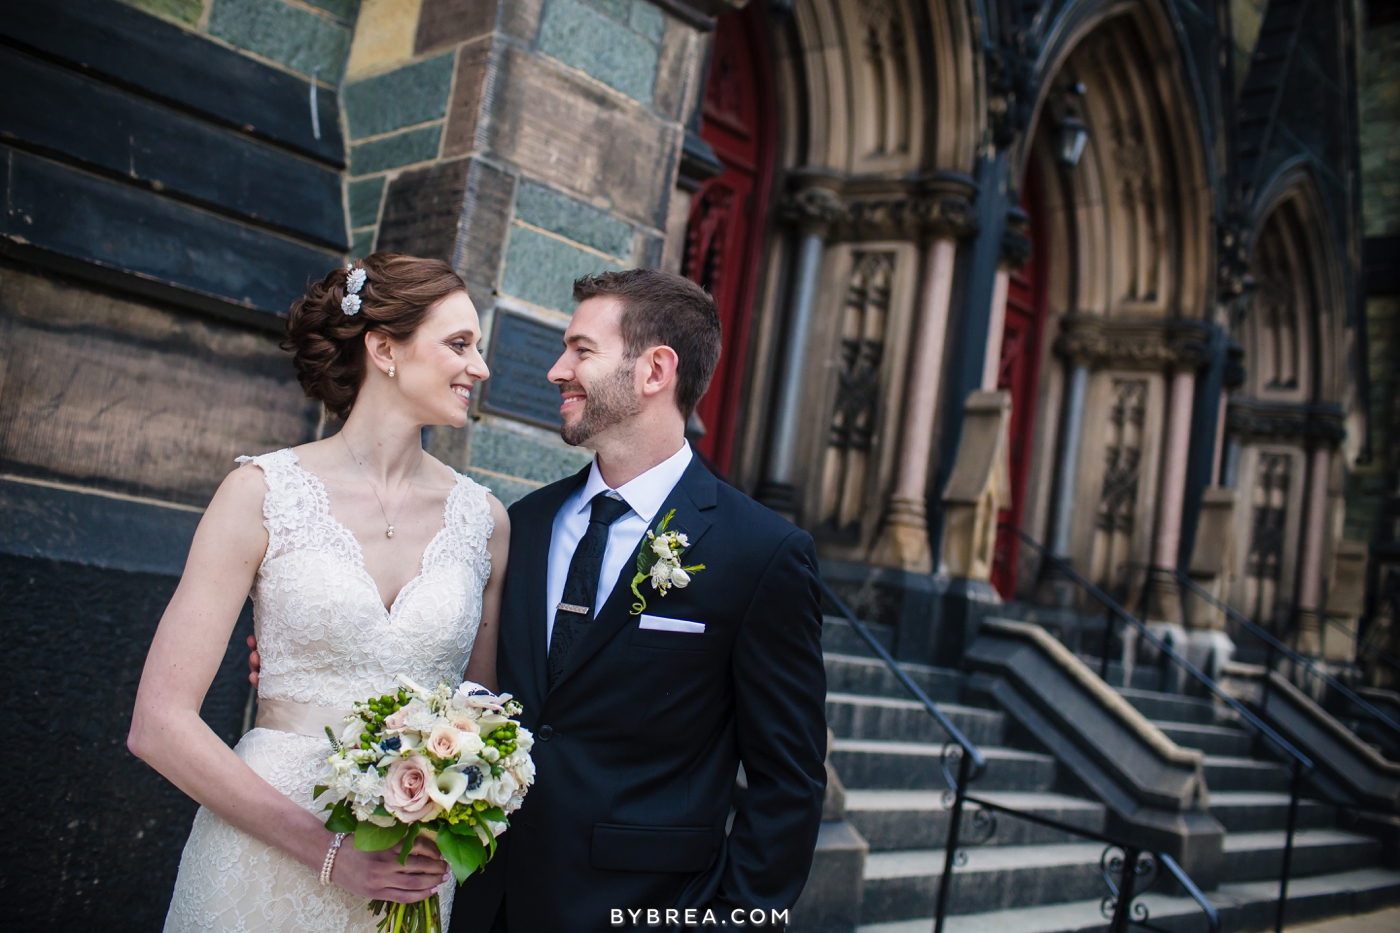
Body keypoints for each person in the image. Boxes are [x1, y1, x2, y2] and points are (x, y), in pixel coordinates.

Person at [130, 253, 509, 932]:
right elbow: (159, 724)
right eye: (460, 344)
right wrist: (331, 853)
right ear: (384, 348)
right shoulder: (261, 493)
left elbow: (479, 715)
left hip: (404, 871)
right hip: (258, 856)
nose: (480, 368)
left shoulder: (485, 522)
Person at [455, 270, 828, 930]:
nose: (556, 369)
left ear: (656, 369)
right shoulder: (528, 523)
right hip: (487, 901)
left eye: (581, 350)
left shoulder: (760, 551)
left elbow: (788, 782)